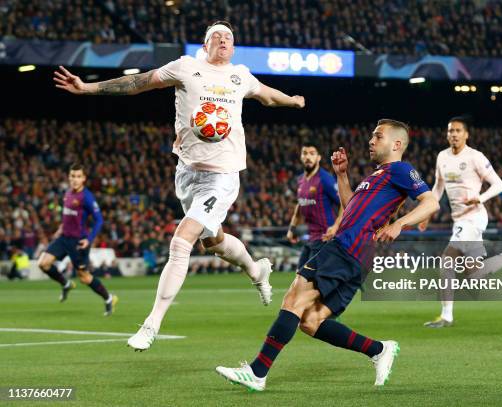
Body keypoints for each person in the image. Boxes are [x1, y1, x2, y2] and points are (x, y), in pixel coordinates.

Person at [54, 20, 305, 350]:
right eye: (216, 36)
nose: (223, 40)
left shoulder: (240, 75)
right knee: (211, 241)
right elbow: (138, 83)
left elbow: (266, 96)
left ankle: (151, 324)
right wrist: (87, 88)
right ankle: (256, 270)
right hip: (187, 173)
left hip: (222, 176)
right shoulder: (186, 68)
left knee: (181, 239)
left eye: (228, 37)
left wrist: (290, 100)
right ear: (204, 45)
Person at [215, 119, 439, 391]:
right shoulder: (377, 176)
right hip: (353, 253)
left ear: (397, 144)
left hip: (347, 248)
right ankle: (379, 349)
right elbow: (349, 205)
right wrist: (342, 175)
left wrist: (399, 223)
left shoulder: (401, 170)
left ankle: (257, 372)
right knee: (311, 322)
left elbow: (431, 202)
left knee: (294, 297)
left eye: (378, 136)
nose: (371, 140)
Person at [419, 117, 502, 328]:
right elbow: (438, 187)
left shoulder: (475, 157)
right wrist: (427, 212)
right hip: (460, 221)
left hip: (474, 217)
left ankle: (446, 316)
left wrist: (480, 198)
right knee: (474, 273)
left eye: (458, 131)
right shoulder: (442, 157)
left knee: (446, 262)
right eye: (450, 131)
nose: (453, 134)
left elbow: (499, 184)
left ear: (466, 134)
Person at [37, 163, 116, 315]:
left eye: (78, 176)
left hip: (78, 242)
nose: (75, 179)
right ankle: (66, 284)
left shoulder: (86, 197)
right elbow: (67, 215)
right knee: (43, 263)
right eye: (72, 176)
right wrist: (61, 228)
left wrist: (89, 239)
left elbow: (99, 220)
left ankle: (108, 298)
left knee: (85, 278)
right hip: (64, 238)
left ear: (84, 179)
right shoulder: (67, 193)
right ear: (69, 177)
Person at [287, 141, 342, 270]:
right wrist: (292, 228)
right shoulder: (300, 180)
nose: (308, 157)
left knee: (307, 281)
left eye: (312, 154)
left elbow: (345, 204)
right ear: (301, 157)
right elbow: (300, 206)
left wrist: (335, 226)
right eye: (305, 153)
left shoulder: (325, 179)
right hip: (311, 238)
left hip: (325, 239)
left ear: (318, 158)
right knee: (300, 276)